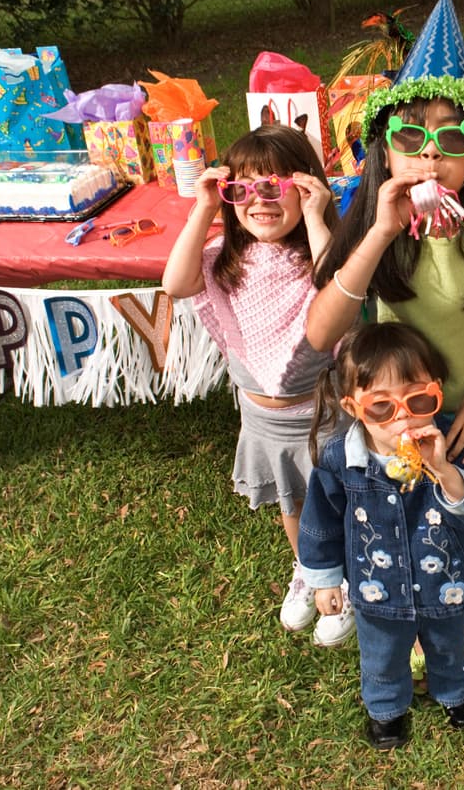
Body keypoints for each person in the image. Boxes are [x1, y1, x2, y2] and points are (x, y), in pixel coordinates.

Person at [308, 0, 464, 689]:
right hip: (395, 414)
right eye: (410, 137)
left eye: (452, 140)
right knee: (406, 524)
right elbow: (321, 331)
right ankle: (417, 614)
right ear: (385, 147)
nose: (430, 153)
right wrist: (380, 229)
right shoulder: (374, 222)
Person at [161, 123, 355, 648]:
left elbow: (336, 287)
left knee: (336, 498)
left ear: (306, 188)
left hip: (321, 413)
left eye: (275, 186)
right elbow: (174, 284)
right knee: (293, 503)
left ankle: (344, 580)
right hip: (263, 418)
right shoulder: (224, 258)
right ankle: (308, 569)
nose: (259, 200)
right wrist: (203, 207)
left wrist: (316, 217)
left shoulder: (319, 253)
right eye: (241, 189)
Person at [297, 322, 464, 750]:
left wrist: (444, 471)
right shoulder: (339, 460)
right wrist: (324, 581)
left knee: (450, 646)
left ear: (438, 391)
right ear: (353, 407)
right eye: (381, 407)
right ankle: (386, 711)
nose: (404, 417)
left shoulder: (453, 445)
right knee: (382, 656)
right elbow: (321, 523)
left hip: (445, 582)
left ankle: (455, 695)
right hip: (378, 590)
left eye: (419, 400)